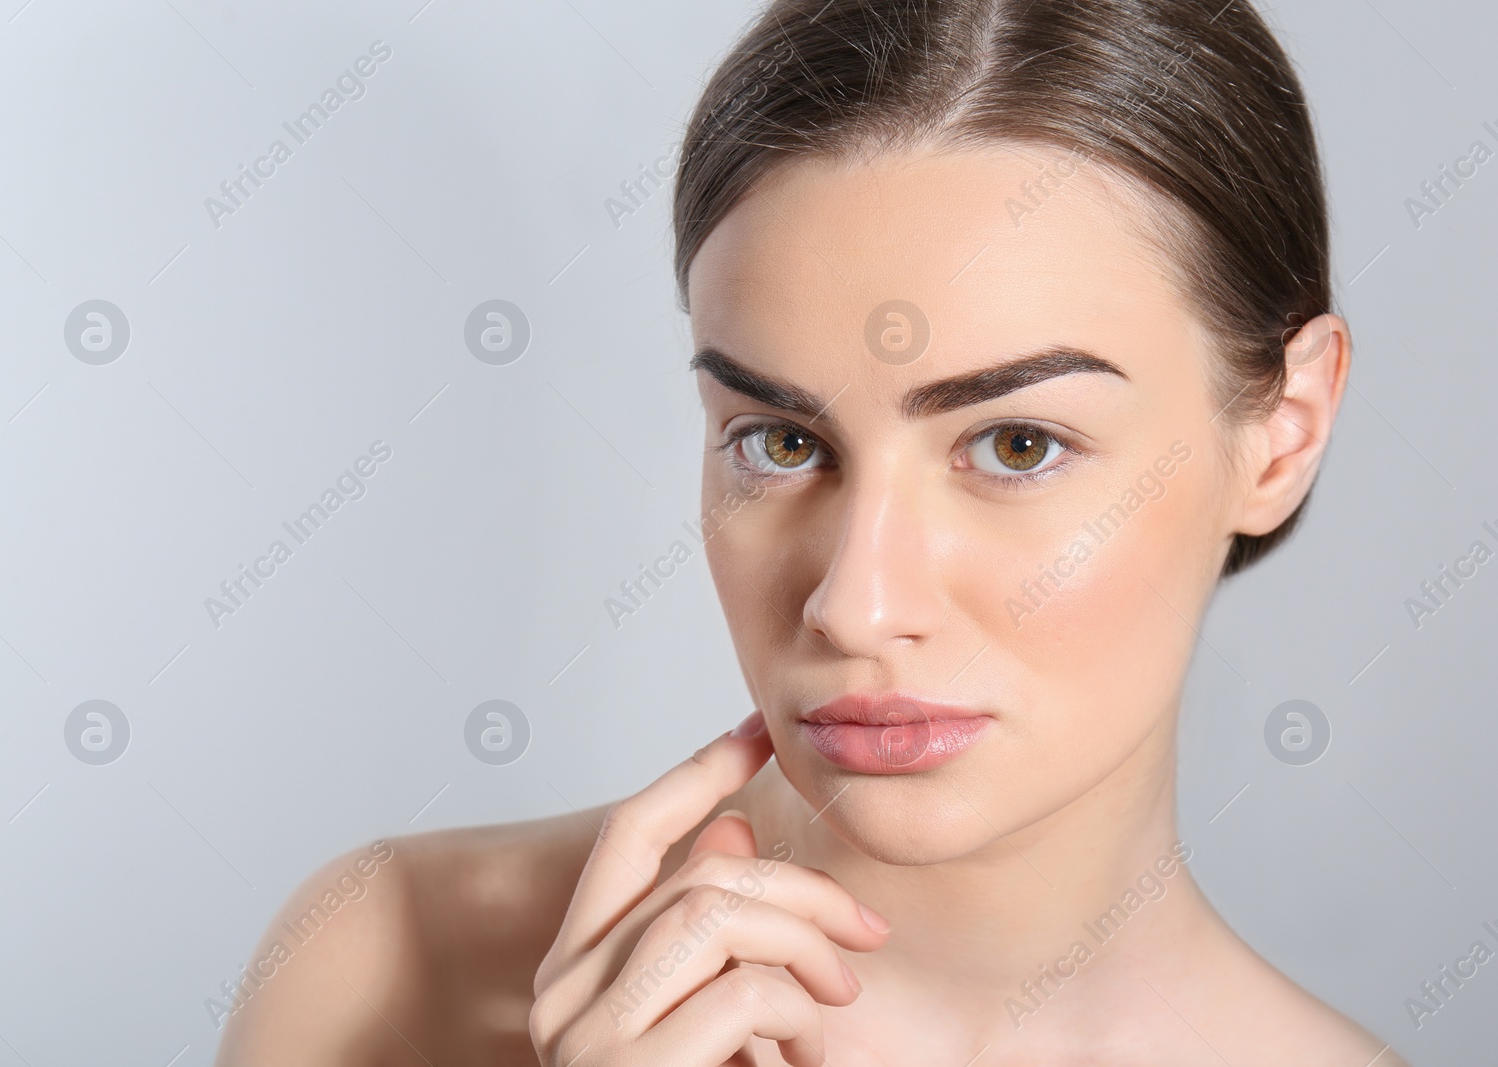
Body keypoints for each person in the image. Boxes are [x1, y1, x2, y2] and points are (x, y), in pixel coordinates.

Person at [215, 0, 1408, 1062]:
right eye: (780, 442)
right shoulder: (386, 967)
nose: (852, 600)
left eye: (1016, 444)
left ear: (1285, 430)